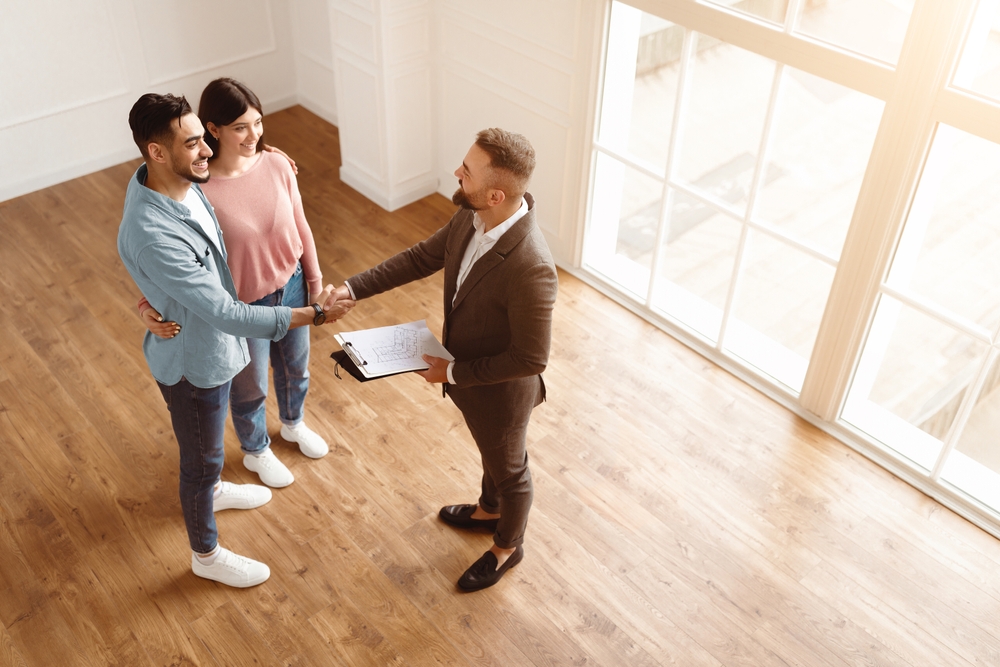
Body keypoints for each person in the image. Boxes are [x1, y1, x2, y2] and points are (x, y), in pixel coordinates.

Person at [117, 92, 352, 588]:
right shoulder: (153, 229)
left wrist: (147, 298)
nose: (207, 151)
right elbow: (222, 308)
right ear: (157, 152)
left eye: (205, 139)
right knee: (200, 460)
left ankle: (220, 485)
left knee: (211, 454)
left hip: (218, 343)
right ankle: (206, 554)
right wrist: (315, 314)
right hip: (195, 359)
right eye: (193, 143)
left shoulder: (173, 180)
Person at [334, 128, 558, 591]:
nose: (457, 173)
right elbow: (420, 258)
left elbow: (531, 358)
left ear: (495, 193)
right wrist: (352, 289)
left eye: (467, 171)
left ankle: (507, 546)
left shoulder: (532, 267)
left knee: (511, 470)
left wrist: (452, 371)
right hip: (466, 377)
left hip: (498, 392)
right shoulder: (470, 217)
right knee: (494, 456)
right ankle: (488, 508)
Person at [138, 78, 331, 490]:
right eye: (241, 126)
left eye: (258, 123)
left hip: (292, 285)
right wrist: (145, 304)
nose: (254, 134)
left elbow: (301, 225)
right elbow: (176, 257)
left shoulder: (278, 164)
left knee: (297, 368)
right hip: (244, 308)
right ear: (213, 129)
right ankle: (256, 448)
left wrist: (314, 283)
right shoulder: (196, 191)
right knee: (251, 386)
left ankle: (293, 423)